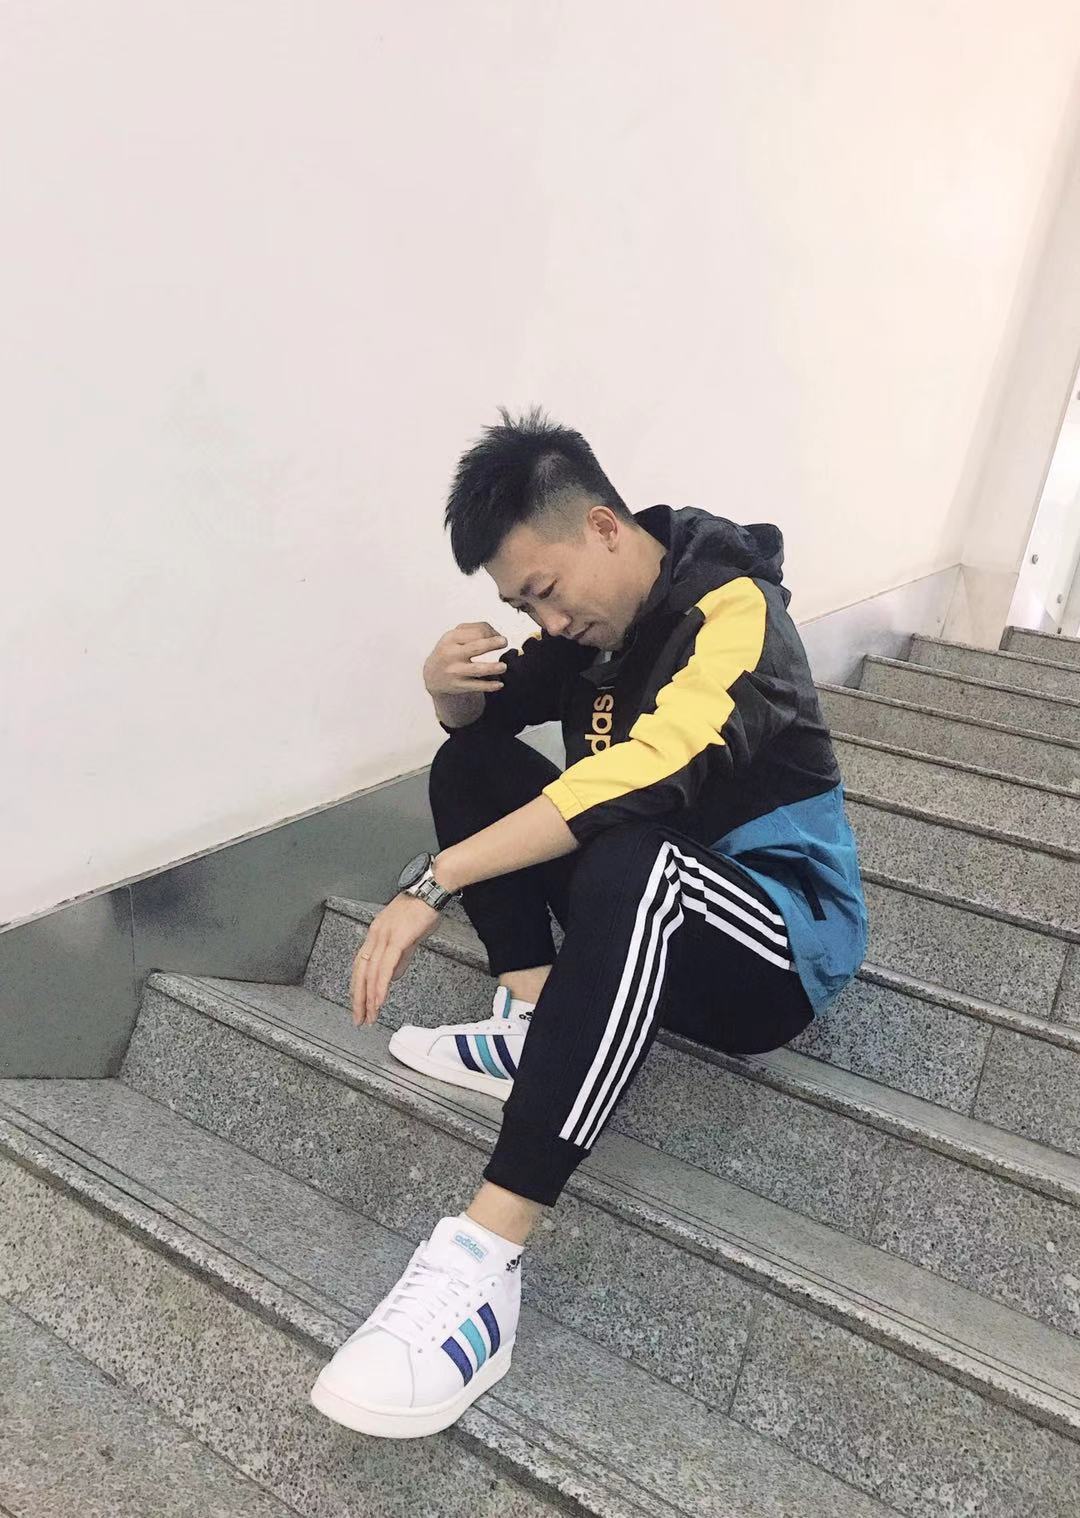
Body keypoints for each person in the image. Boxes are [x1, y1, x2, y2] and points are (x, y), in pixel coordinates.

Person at [309, 405, 868, 1440]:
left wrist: (436, 881)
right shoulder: (591, 628)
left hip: (777, 946)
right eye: (522, 604)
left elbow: (651, 772)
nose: (546, 621)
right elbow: (490, 718)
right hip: (645, 902)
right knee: (470, 765)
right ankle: (536, 1019)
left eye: (545, 590)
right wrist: (444, 691)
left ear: (605, 528)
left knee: (634, 849)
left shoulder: (736, 611)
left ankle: (483, 1261)